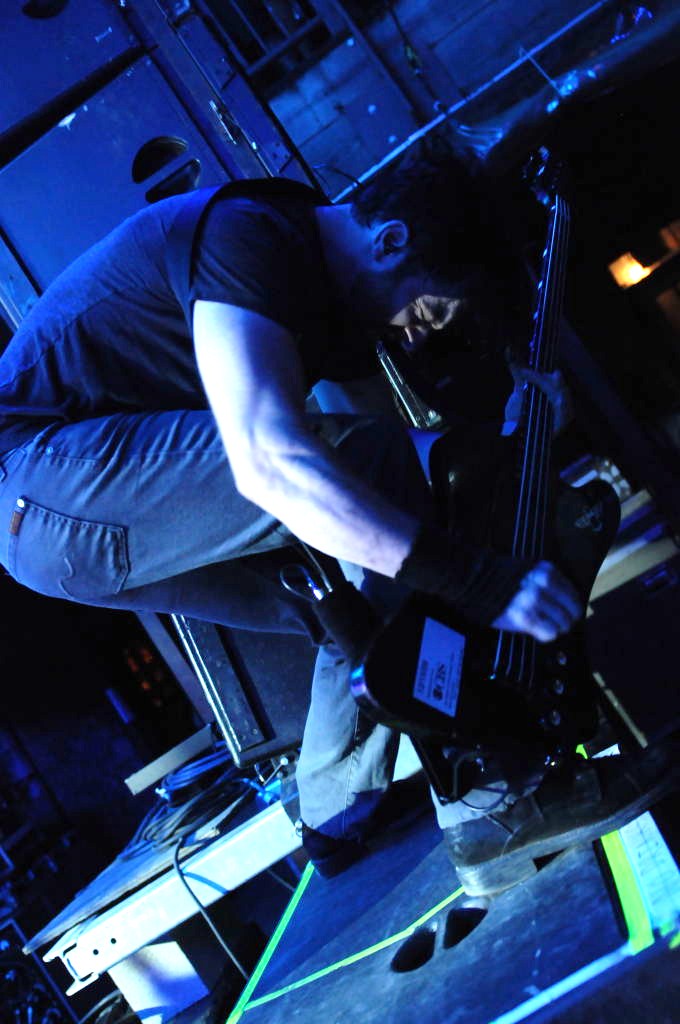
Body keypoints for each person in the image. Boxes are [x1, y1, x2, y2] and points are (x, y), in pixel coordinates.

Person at [0, 136, 673, 897]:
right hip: (35, 483)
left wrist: (510, 437)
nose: (419, 333)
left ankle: (335, 813)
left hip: (67, 513)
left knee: (347, 594)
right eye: (427, 308)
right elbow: (277, 461)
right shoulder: (246, 238)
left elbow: (406, 480)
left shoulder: (329, 295)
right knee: (367, 495)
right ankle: (499, 802)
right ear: (389, 241)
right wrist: (484, 582)